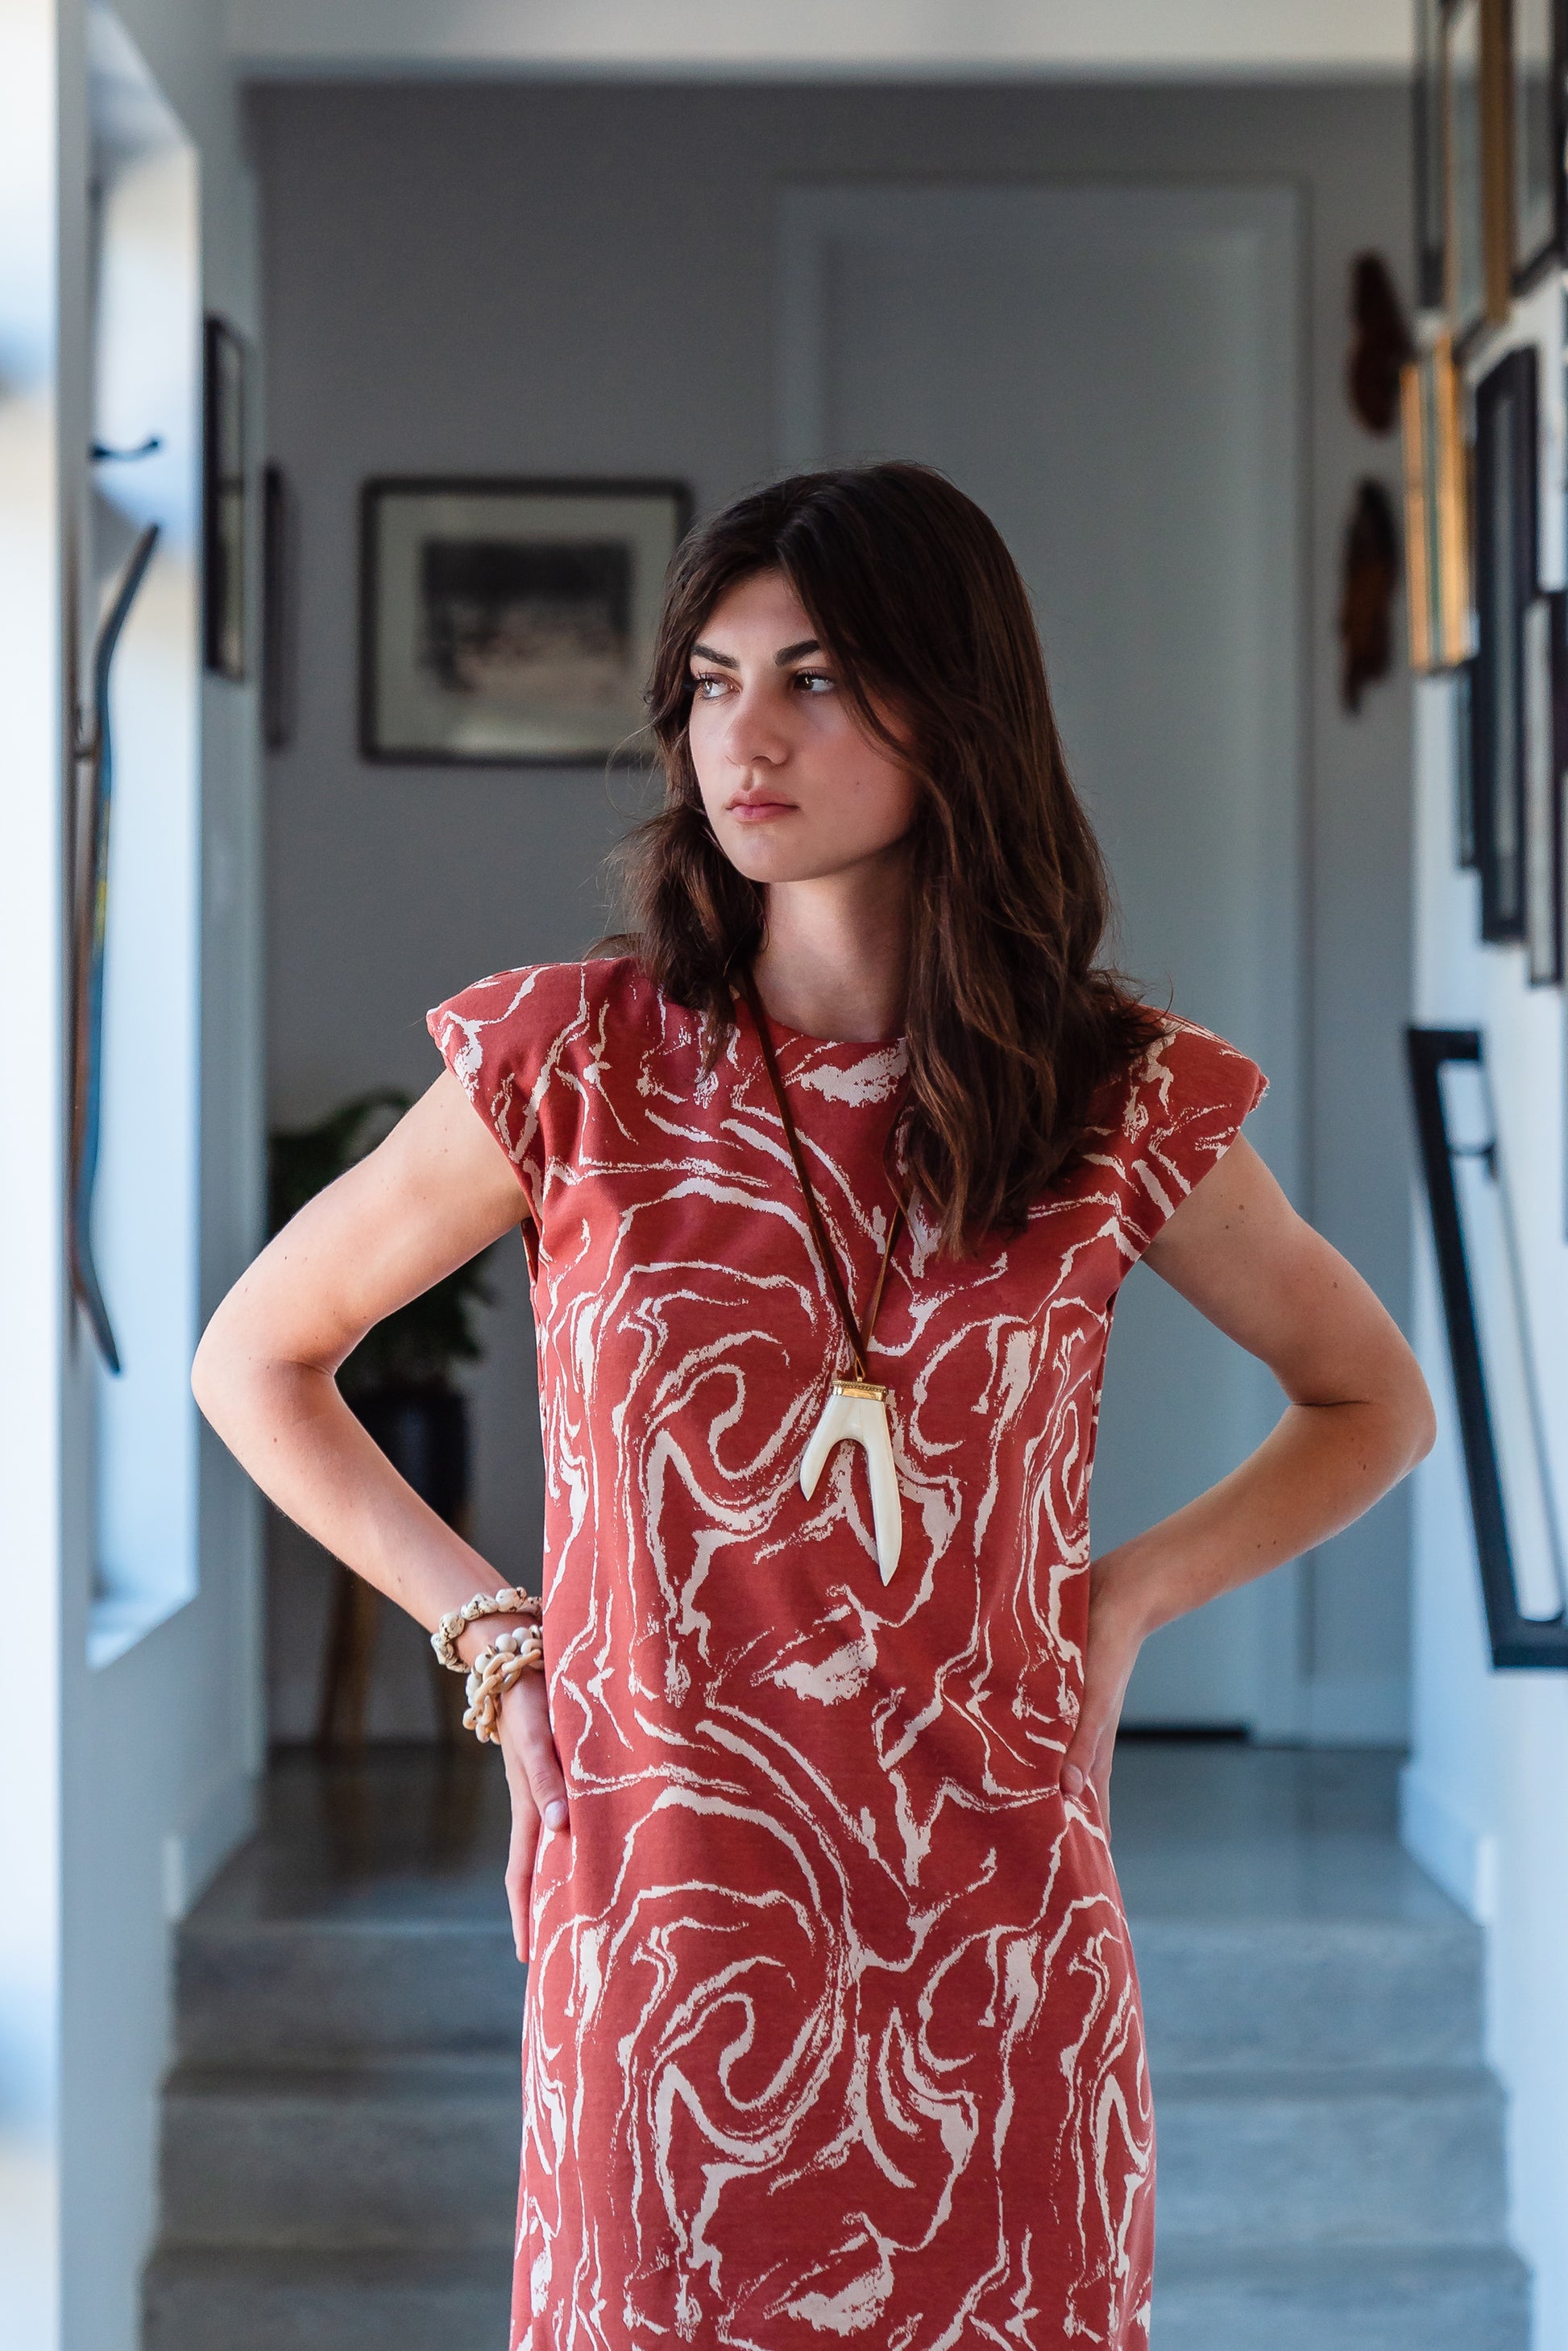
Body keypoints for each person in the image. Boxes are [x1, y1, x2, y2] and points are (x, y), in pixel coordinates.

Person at [193, 461, 1435, 2350]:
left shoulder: (1111, 1093)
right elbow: (253, 1360)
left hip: (997, 1970)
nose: (741, 735)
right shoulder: (573, 1067)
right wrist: (496, 1636)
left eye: (817, 678)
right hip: (661, 1955)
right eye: (709, 680)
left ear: (960, 711)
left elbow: (1369, 1401)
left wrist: (1124, 1597)